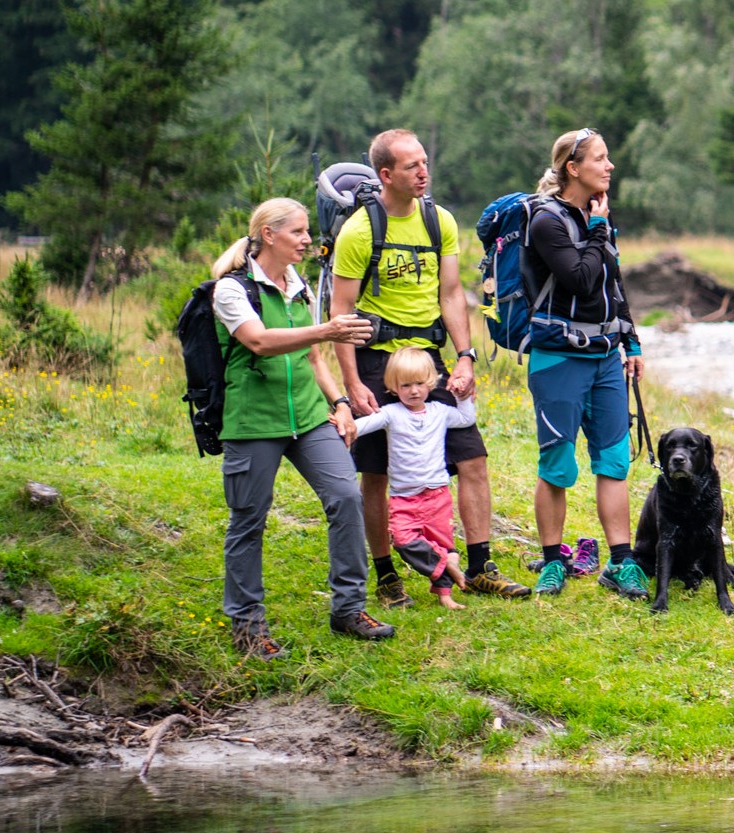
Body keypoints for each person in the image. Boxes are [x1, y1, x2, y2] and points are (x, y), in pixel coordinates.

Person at [332, 129, 529, 606]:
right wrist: (353, 384)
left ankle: (481, 566)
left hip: (430, 361)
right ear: (386, 175)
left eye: (425, 162)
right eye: (411, 166)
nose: (424, 172)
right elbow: (340, 312)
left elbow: (449, 295)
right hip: (377, 361)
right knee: (376, 472)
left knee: (472, 456)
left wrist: (465, 356)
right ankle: (384, 575)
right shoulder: (359, 231)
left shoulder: (438, 220)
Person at [207, 198, 390, 658]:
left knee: (345, 497)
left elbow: (311, 360)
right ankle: (248, 628)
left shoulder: (299, 286)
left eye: (308, 232)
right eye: (299, 233)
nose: (309, 241)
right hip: (253, 422)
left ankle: (349, 609)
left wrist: (341, 403)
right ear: (269, 234)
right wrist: (327, 330)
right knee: (248, 521)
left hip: (308, 416)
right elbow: (259, 341)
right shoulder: (233, 290)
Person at [523, 127, 649, 598]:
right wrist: (598, 230)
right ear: (573, 169)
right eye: (601, 158)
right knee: (557, 464)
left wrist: (630, 341)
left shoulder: (599, 217)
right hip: (558, 359)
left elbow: (611, 284)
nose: (610, 166)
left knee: (614, 460)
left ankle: (621, 562)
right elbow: (578, 279)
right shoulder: (546, 221)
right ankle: (553, 562)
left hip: (605, 359)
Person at [351, 349, 479, 610]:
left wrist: (459, 396)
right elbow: (361, 427)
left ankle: (445, 594)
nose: (413, 391)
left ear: (430, 382)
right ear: (393, 387)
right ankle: (448, 565)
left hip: (437, 495)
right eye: (405, 385)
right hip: (404, 498)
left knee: (440, 543)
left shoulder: (439, 411)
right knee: (402, 540)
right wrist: (343, 423)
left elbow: (467, 418)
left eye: (419, 383)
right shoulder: (390, 413)